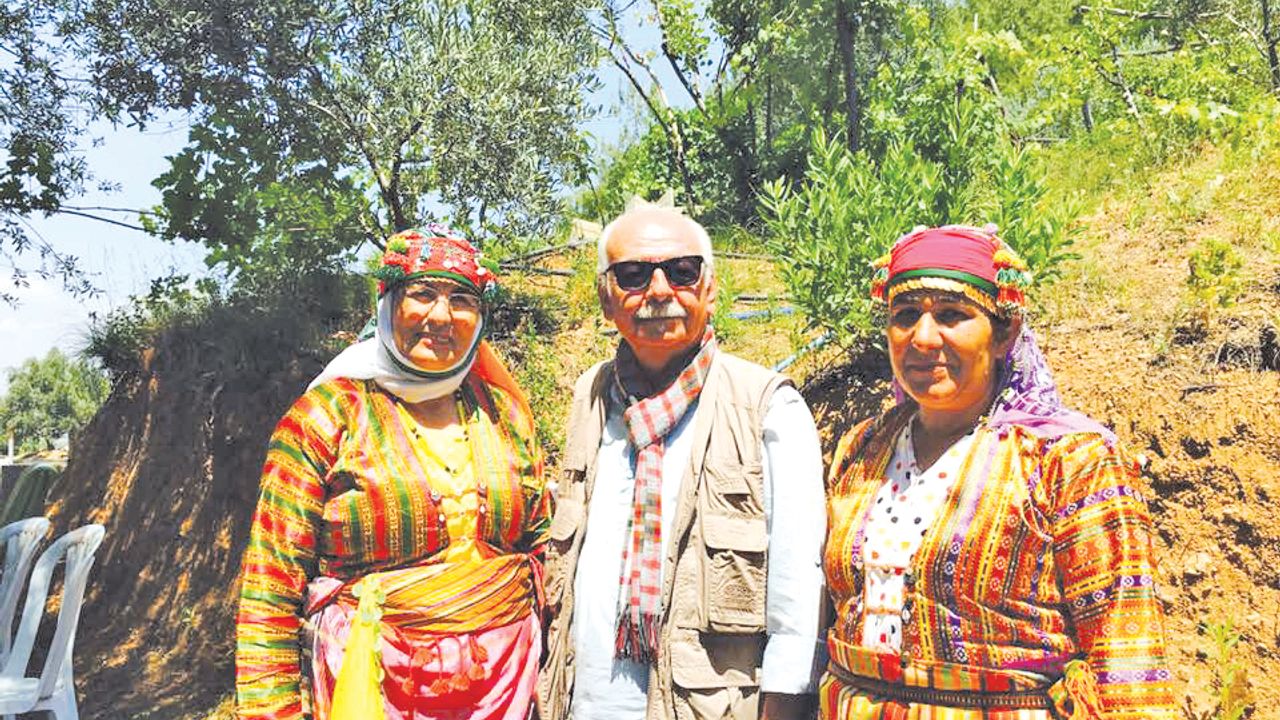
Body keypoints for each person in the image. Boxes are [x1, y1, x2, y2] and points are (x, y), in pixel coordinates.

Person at [820, 225, 1177, 719]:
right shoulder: (862, 449)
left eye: (952, 315)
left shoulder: (1067, 459)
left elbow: (1125, 647)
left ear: (1005, 331)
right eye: (904, 316)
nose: (923, 337)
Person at [235, 227, 549, 720]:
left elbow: (543, 549)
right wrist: (270, 710)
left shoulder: (505, 415)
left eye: (462, 300)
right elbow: (270, 583)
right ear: (386, 303)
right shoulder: (326, 417)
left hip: (510, 689)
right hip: (373, 691)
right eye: (422, 294)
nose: (441, 316)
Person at [538, 206, 827, 720]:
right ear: (605, 298)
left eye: (681, 271)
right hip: (583, 702)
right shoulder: (592, 395)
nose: (658, 291)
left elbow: (798, 589)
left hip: (708, 707)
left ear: (709, 289)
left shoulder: (766, 405)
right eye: (633, 275)